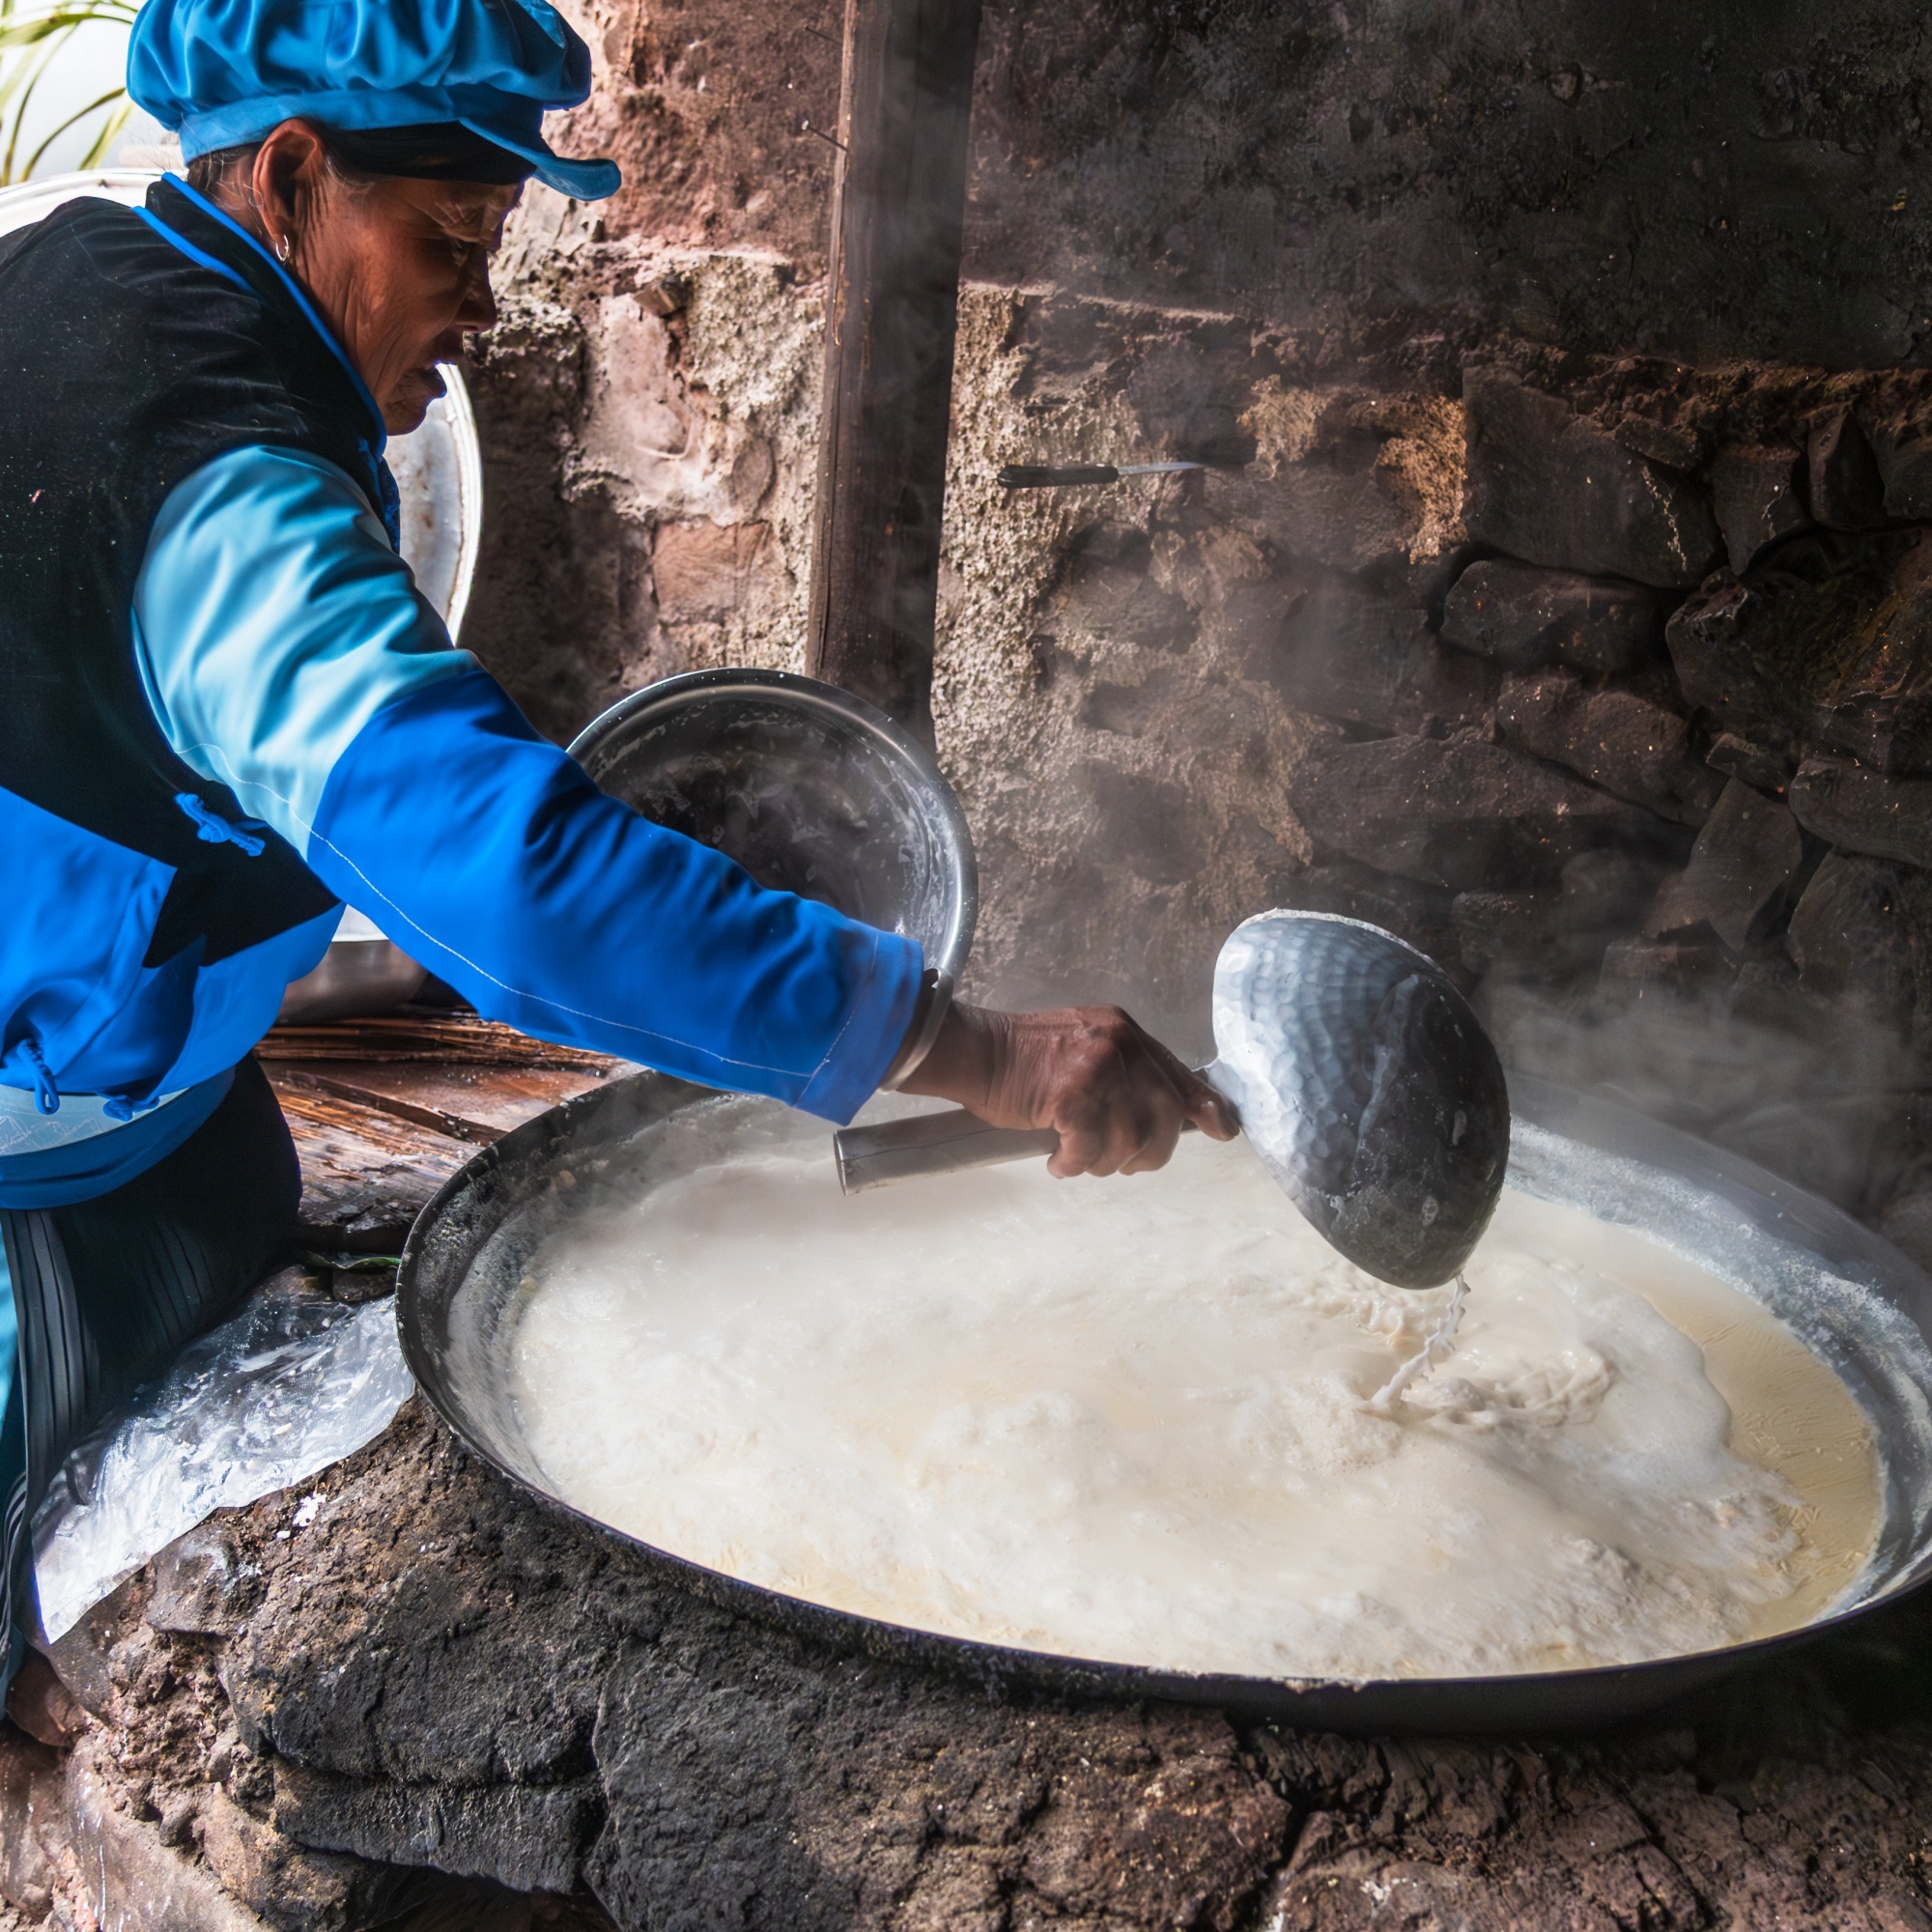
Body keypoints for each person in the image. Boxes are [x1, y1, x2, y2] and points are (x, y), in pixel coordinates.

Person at [0, 0, 1234, 1743]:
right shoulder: (209, 478)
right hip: (23, 1168)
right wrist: (991, 1058)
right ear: (290, 174)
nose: (480, 302)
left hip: (155, 1092)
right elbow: (510, 875)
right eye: (449, 239)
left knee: (224, 1261)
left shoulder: (85, 278)